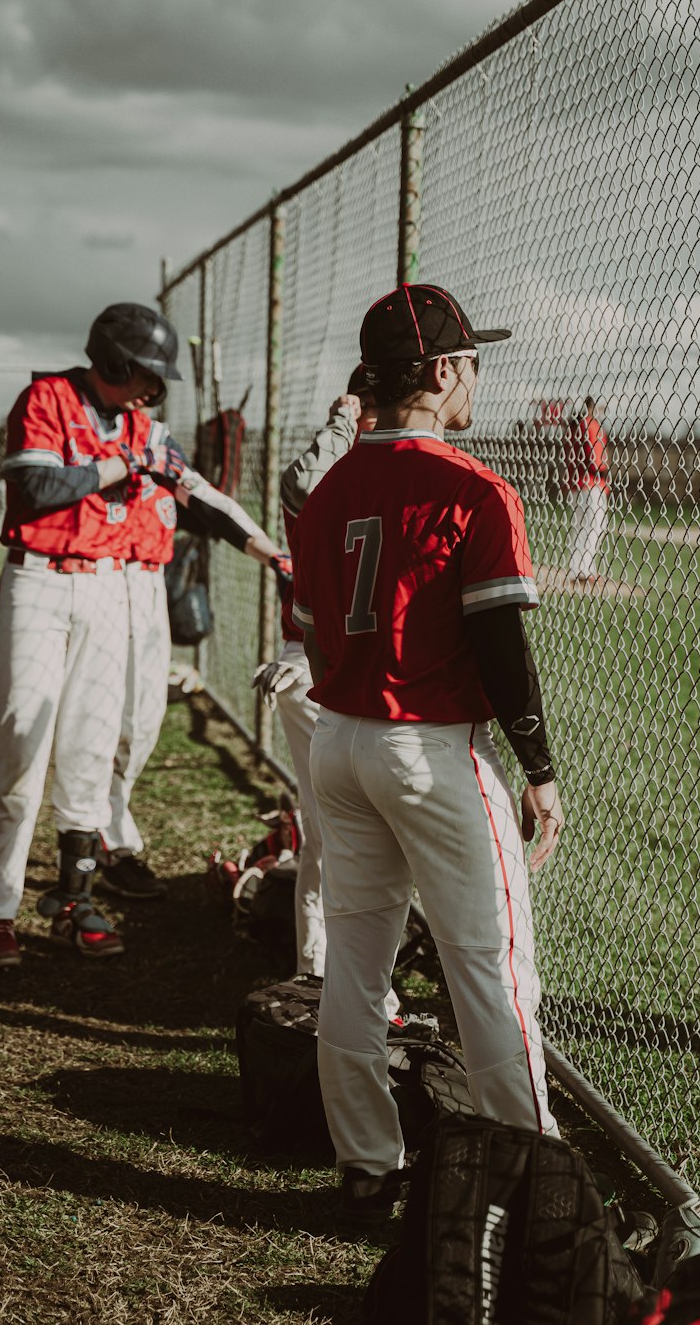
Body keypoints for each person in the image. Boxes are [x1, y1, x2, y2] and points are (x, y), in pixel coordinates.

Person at [290, 283, 566, 1218]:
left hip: (340, 741)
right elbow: (501, 650)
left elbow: (315, 638)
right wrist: (539, 767)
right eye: (471, 361)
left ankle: (368, 1166)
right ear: (444, 371)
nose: (476, 376)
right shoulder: (473, 487)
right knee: (490, 966)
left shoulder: (328, 489)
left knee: (357, 959)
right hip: (430, 747)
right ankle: (539, 1189)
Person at [0, 302, 184, 969]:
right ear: (115, 360)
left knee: (90, 744)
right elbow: (34, 487)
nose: (152, 388)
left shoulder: (140, 422)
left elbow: (178, 483)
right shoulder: (48, 396)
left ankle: (74, 897)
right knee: (22, 749)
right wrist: (120, 467)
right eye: (145, 373)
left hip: (108, 584)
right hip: (40, 582)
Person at [99, 432, 292, 900]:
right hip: (92, 577)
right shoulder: (86, 429)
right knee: (94, 724)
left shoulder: (153, 439)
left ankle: (102, 840)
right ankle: (101, 849)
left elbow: (209, 503)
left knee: (141, 723)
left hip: (146, 584)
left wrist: (272, 554)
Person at [253, 369, 396, 988]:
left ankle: (334, 969)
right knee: (334, 832)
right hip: (311, 666)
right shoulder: (337, 466)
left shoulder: (393, 469)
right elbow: (302, 484)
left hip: (362, 668)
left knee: (349, 830)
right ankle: (322, 972)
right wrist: (344, 420)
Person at [565, 395, 609, 585]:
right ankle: (587, 569)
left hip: (575, 484)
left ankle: (576, 570)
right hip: (592, 484)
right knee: (597, 526)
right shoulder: (591, 425)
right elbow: (595, 459)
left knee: (580, 527)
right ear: (591, 407)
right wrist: (605, 472)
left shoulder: (573, 427)